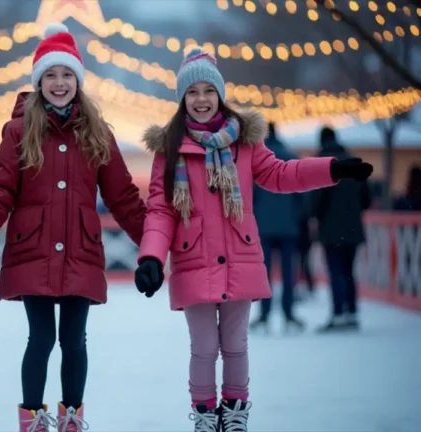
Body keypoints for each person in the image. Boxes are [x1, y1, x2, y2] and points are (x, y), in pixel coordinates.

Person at [133, 47, 373, 432]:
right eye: (191, 92)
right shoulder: (170, 149)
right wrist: (150, 257)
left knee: (235, 345)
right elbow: (161, 209)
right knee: (204, 348)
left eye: (208, 91)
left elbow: (281, 174)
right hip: (193, 258)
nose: (200, 99)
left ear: (220, 94)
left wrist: (332, 169)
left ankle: (235, 413)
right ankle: (205, 416)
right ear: (182, 98)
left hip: (238, 257)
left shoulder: (244, 142)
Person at [0, 23, 147, 432]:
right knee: (40, 338)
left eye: (66, 75)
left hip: (80, 248)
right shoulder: (18, 131)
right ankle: (32, 419)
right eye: (51, 75)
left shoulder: (97, 133)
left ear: (78, 80)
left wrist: (151, 248)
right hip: (33, 248)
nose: (59, 83)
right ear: (39, 81)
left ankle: (71, 417)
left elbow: (124, 197)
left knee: (74, 339)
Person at [312, 127, 372, 332]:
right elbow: (366, 200)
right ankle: (352, 313)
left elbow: (317, 200)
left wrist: (316, 217)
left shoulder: (322, 164)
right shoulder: (354, 162)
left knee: (336, 271)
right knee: (348, 271)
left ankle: (338, 314)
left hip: (331, 228)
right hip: (353, 227)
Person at [249, 123, 306, 332]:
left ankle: (264, 314)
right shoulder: (291, 157)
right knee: (288, 271)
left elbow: (249, 196)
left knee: (263, 272)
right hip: (289, 226)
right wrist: (296, 216)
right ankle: (288, 313)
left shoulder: (256, 161)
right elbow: (303, 194)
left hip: (263, 226)